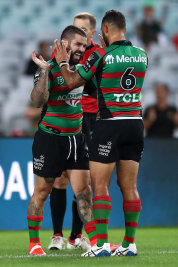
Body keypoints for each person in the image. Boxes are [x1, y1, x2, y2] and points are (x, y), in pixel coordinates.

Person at [51, 9, 148, 257]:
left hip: (109, 124)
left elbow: (72, 82)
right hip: (136, 123)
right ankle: (129, 243)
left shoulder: (101, 55)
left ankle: (101, 244)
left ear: (104, 30)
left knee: (100, 184)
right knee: (130, 186)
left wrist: (63, 62)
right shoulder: (142, 55)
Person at [27, 25, 94, 256]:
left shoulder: (83, 71)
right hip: (50, 139)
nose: (81, 49)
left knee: (84, 191)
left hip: (76, 139)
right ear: (63, 44)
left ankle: (96, 242)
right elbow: (37, 101)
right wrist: (45, 71)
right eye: (77, 44)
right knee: (42, 192)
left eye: (84, 46)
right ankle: (34, 243)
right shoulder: (50, 68)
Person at [48, 12, 99, 251]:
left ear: (91, 34)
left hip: (88, 119)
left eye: (83, 31)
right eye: (75, 30)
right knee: (59, 179)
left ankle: (76, 236)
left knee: (83, 181)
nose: (78, 35)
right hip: (61, 119)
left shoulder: (98, 55)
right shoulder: (61, 52)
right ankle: (57, 235)